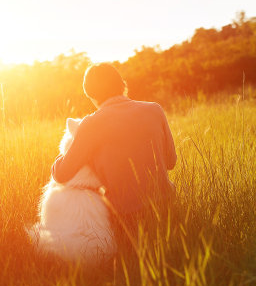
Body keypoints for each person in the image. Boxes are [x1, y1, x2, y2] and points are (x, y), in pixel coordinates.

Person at [51, 63, 177, 228]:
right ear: (122, 85)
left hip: (126, 219)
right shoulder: (155, 109)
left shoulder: (91, 124)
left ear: (90, 94)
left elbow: (62, 175)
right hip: (167, 209)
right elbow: (171, 162)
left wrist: (64, 154)